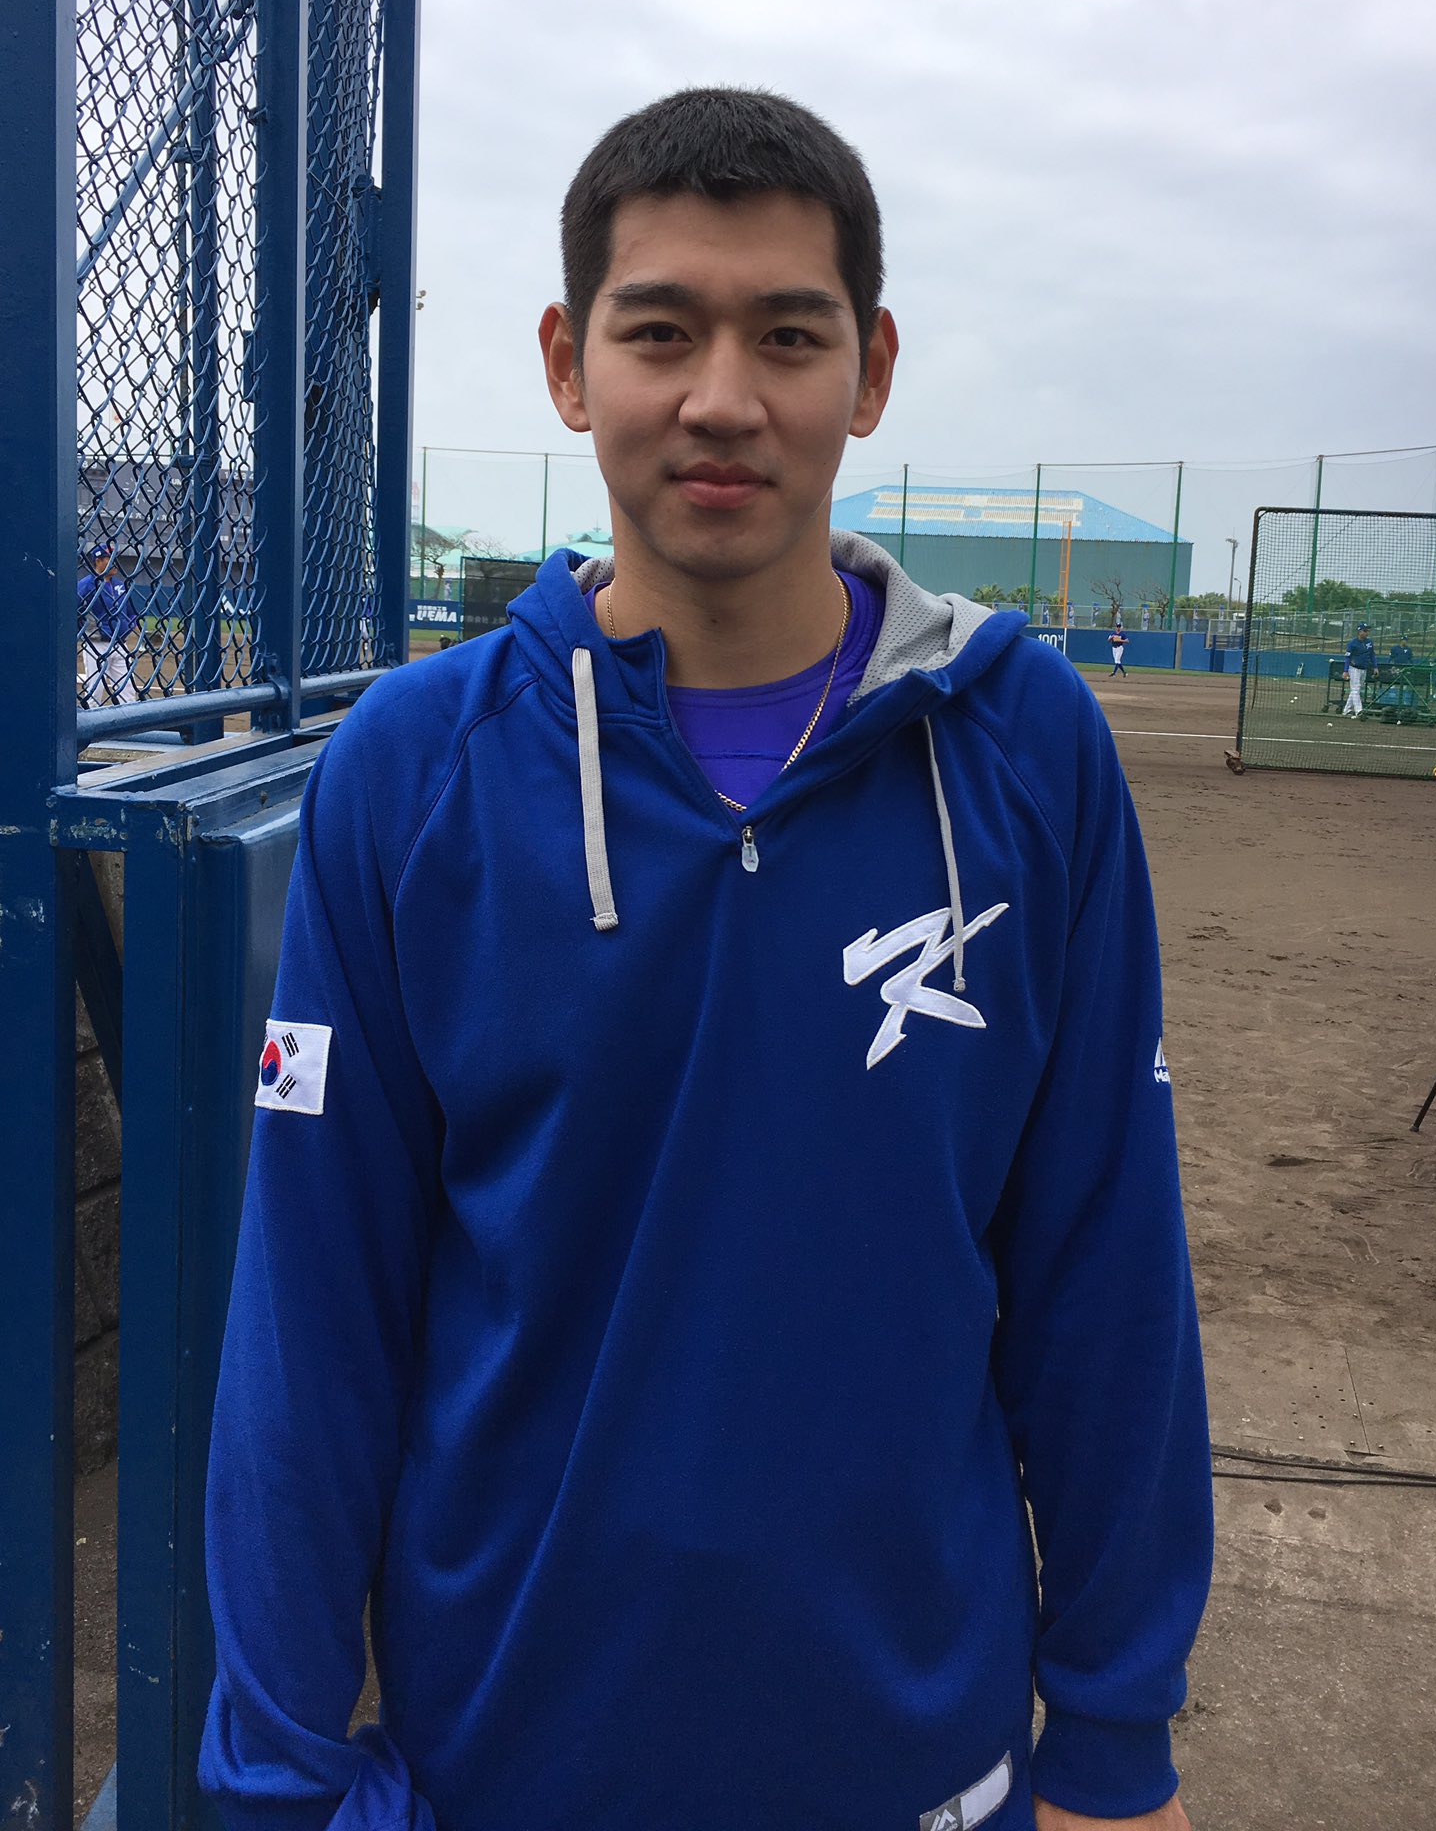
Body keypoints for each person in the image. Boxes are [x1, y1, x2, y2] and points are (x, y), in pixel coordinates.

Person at [201, 88, 1212, 1831]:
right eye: (660, 330)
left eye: (788, 336)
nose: (722, 397)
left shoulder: (1027, 749)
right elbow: (315, 1315)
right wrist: (280, 1779)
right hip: (510, 1757)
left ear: (869, 370)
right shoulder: (414, 771)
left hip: (922, 1756)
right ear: (568, 363)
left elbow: (1105, 1262)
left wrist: (1115, 1742)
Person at [76, 540, 140, 705]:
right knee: (95, 692)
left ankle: (129, 721)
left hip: (120, 644)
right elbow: (73, 612)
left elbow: (131, 612)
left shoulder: (121, 585)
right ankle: (91, 721)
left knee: (128, 692)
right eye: (110, 558)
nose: (115, 562)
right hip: (96, 645)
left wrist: (132, 628)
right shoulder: (86, 586)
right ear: (98, 561)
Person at [1342, 621, 1376, 717]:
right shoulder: (1353, 643)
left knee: (1355, 689)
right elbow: (1348, 657)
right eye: (1365, 631)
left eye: (1367, 631)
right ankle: (1359, 711)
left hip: (1363, 669)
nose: (1367, 633)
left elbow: (1372, 655)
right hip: (1354, 669)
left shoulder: (1369, 642)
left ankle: (1346, 710)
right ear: (1359, 631)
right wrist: (1345, 670)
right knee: (1356, 689)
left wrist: (1375, 666)